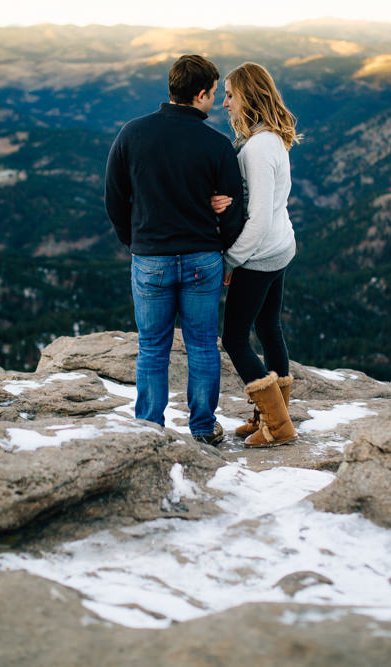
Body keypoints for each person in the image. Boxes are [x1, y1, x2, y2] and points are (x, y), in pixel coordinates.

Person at [105, 54, 245, 445]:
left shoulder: (132, 134)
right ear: (199, 94)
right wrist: (223, 246)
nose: (216, 101)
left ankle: (149, 428)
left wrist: (134, 242)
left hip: (151, 258)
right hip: (203, 258)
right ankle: (202, 427)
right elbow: (235, 206)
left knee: (152, 347)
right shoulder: (216, 145)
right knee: (202, 344)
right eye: (214, 94)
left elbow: (114, 198)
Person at [212, 62, 300, 447]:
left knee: (233, 337)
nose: (225, 103)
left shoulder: (258, 147)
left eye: (231, 94)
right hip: (280, 248)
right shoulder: (271, 139)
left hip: (261, 254)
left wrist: (231, 260)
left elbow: (259, 216)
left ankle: (278, 427)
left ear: (248, 96)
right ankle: (271, 413)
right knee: (268, 328)